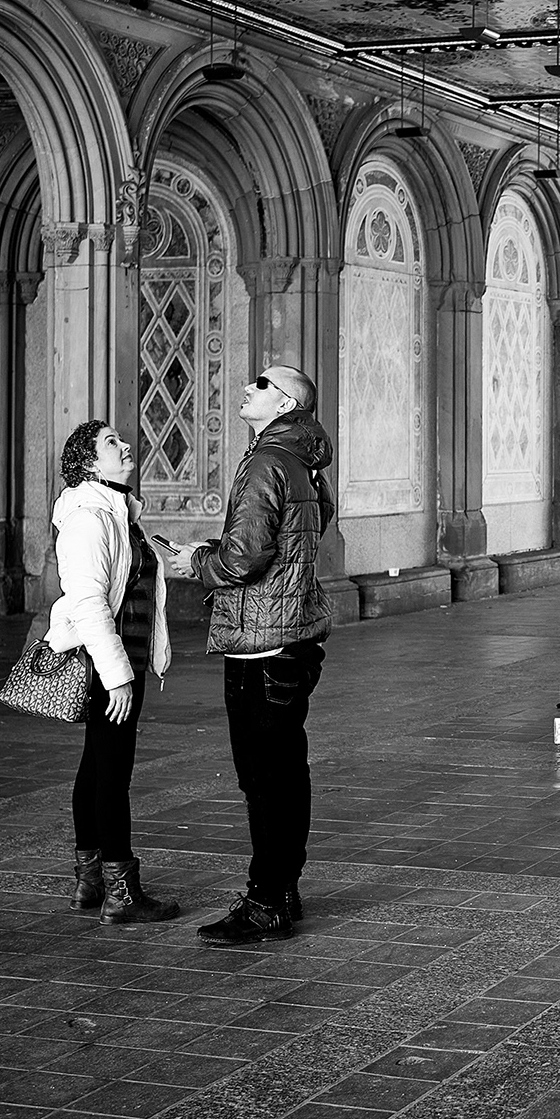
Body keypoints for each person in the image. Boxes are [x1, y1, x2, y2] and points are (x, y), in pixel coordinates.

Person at [164, 365, 334, 945]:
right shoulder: (305, 462)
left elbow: (245, 557)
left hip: (261, 640)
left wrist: (197, 564)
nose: (247, 386)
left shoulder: (267, 462)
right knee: (287, 770)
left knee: (263, 777)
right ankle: (283, 890)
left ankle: (264, 902)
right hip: (295, 634)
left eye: (260, 383)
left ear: (284, 401)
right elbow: (299, 536)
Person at [48, 419, 178, 926]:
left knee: (97, 766)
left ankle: (91, 880)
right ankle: (122, 891)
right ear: (87, 463)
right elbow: (89, 603)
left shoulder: (117, 511)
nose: (124, 446)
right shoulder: (88, 518)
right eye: (110, 443)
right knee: (113, 772)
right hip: (110, 661)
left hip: (122, 656)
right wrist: (118, 675)